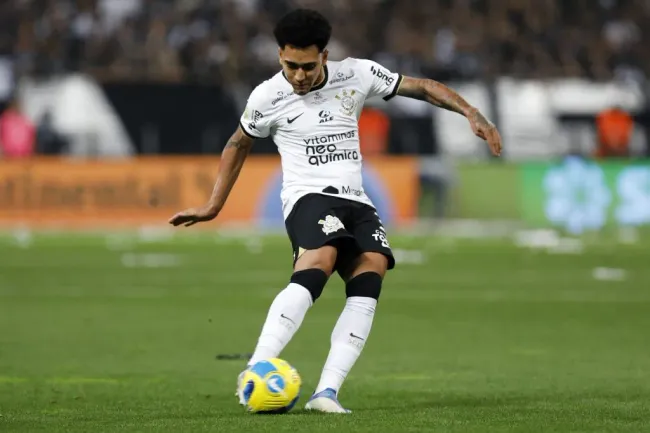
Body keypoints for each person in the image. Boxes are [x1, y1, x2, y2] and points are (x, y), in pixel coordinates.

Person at [168, 9, 502, 413]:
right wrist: (213, 205)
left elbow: (423, 88)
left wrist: (471, 111)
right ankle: (256, 367)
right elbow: (238, 143)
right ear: (279, 57)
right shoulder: (267, 96)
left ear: (324, 56)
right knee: (320, 261)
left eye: (308, 66)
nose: (299, 76)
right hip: (307, 196)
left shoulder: (357, 74)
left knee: (372, 267)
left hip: (356, 198)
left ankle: (326, 393)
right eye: (290, 65)